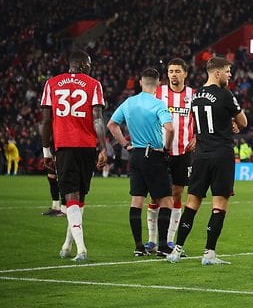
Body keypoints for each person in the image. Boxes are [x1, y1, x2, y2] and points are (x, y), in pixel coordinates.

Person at [166, 56, 247, 265]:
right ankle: (209, 253)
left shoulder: (196, 96)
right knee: (219, 205)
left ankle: (177, 249)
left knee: (192, 203)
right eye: (227, 71)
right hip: (221, 155)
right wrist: (234, 123)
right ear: (217, 73)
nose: (230, 75)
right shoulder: (225, 94)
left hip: (200, 156)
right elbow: (243, 121)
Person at [39, 49, 107, 262]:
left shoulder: (51, 83)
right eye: (89, 65)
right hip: (87, 147)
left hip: (65, 146)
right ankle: (68, 245)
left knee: (71, 198)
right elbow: (97, 119)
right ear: (83, 64)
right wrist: (104, 148)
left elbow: (46, 121)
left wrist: (46, 150)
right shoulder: (94, 84)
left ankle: (81, 249)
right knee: (79, 198)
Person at [105, 68, 175, 256]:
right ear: (158, 83)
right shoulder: (158, 104)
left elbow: (111, 124)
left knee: (137, 200)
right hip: (153, 155)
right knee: (166, 200)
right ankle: (163, 246)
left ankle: (138, 247)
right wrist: (166, 149)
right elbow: (170, 129)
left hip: (135, 154)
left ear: (140, 83)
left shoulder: (129, 102)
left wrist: (125, 144)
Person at [150, 58, 195, 249]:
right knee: (156, 196)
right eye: (170, 71)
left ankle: (169, 239)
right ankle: (152, 240)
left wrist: (197, 137)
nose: (173, 75)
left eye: (177, 71)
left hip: (183, 152)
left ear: (185, 73)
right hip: (160, 151)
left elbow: (201, 117)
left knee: (177, 195)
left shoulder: (193, 95)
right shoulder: (158, 93)